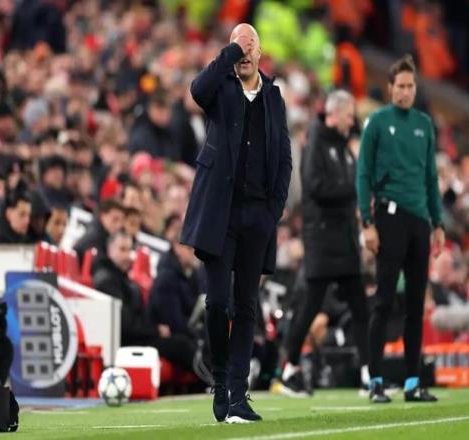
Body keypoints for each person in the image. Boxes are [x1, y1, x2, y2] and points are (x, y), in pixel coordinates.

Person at [181, 23, 292, 423]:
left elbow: (284, 157)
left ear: (261, 53)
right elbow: (197, 89)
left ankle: (238, 392)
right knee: (217, 303)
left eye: (249, 45)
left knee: (246, 305)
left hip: (257, 216)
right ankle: (220, 377)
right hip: (219, 214)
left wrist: (272, 211)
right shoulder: (221, 89)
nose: (244, 51)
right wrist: (229, 53)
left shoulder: (274, 98)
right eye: (237, 45)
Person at [356, 54, 445, 403]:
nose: (405, 92)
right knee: (384, 301)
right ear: (391, 87)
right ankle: (376, 381)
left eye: (410, 86)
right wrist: (367, 222)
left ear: (415, 88)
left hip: (419, 221)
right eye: (400, 86)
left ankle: (412, 383)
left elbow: (431, 178)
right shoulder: (377, 122)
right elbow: (363, 173)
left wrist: (438, 222)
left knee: (415, 306)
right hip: (389, 218)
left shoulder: (424, 124)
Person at [279, 90, 369, 396]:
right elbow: (316, 188)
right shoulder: (316, 143)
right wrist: (353, 188)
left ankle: (370, 374)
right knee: (310, 307)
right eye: (349, 115)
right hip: (322, 240)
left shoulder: (342, 146)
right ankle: (289, 367)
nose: (351, 121)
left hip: (344, 239)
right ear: (335, 113)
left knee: (359, 306)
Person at [91, 231, 210, 384]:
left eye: (130, 250)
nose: (128, 256)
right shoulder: (107, 281)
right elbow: (125, 324)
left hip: (140, 336)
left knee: (184, 342)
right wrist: (155, 330)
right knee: (181, 345)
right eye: (122, 249)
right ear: (109, 251)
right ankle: (212, 381)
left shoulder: (124, 279)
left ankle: (212, 380)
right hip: (129, 342)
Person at [73, 198, 125, 262]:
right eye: (115, 219)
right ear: (103, 216)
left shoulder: (104, 235)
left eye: (121, 221)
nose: (119, 225)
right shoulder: (95, 238)